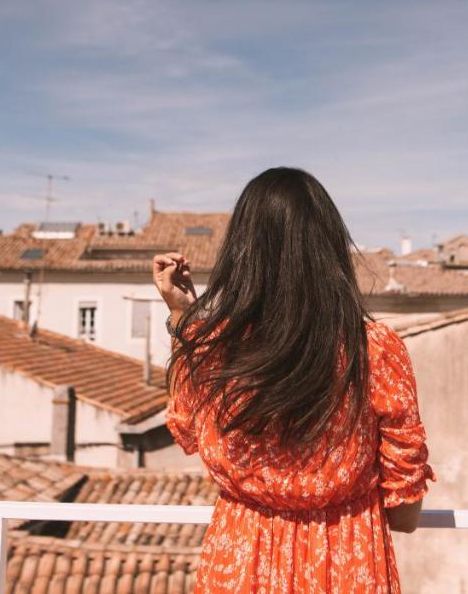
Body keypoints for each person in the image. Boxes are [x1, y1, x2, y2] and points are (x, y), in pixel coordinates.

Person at [152, 167, 434, 593]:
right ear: (329, 248)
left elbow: (187, 431)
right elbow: (405, 515)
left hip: (240, 559)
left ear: (242, 252)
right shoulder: (374, 349)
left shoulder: (216, 348)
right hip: (348, 562)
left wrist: (183, 317)